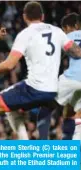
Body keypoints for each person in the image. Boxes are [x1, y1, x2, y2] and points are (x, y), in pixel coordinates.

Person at [0, 1, 81, 140]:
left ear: (24, 17)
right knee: (11, 110)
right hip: (53, 90)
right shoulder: (57, 31)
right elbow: (77, 53)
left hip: (34, 88)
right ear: (43, 16)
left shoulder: (25, 34)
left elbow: (9, 65)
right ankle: (26, 147)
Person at [56, 13, 81, 141]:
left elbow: (54, 57)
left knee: (44, 98)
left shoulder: (67, 37)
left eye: (64, 29)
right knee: (74, 112)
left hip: (71, 80)